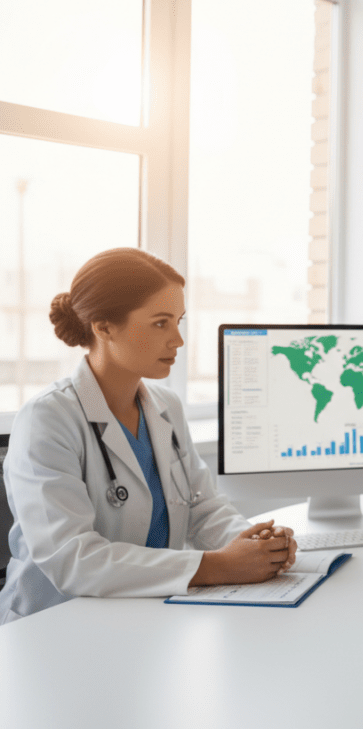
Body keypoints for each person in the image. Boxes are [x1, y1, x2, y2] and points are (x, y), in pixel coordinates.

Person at [0, 248, 297, 623]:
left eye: (179, 321)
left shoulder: (165, 406)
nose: (178, 340)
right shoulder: (46, 418)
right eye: (160, 323)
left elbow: (203, 510)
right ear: (104, 326)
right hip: (54, 624)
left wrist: (255, 544)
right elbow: (74, 560)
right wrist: (217, 566)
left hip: (146, 615)